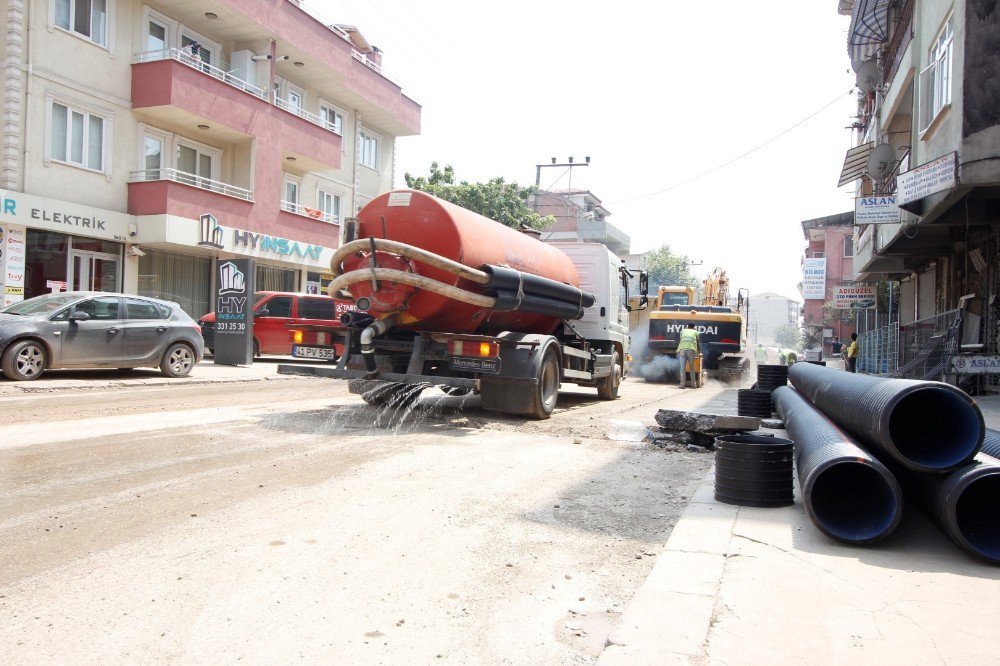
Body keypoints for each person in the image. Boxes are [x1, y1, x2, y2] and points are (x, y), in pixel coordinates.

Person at [677, 324, 700, 388]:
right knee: (692, 368)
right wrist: (699, 352)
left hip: (683, 350)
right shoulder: (696, 332)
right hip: (691, 350)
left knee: (682, 368)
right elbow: (698, 343)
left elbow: (681, 341)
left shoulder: (683, 331)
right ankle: (693, 385)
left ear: (687, 326)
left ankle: (682, 385)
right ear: (694, 327)